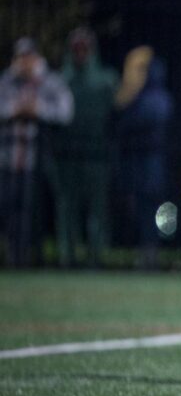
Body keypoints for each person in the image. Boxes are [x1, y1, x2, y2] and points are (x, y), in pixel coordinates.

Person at [0, 38, 73, 267]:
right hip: (9, 157)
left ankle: (35, 255)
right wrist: (15, 109)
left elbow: (65, 111)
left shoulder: (48, 81)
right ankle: (13, 254)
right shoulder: (8, 80)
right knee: (10, 206)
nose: (25, 61)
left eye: (28, 56)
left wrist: (38, 110)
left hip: (38, 157)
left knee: (36, 209)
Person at [55, 27, 119, 267]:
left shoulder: (106, 80)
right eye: (76, 48)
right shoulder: (61, 80)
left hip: (96, 152)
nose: (81, 53)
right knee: (67, 205)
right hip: (67, 153)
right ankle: (66, 255)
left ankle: (96, 255)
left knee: (97, 208)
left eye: (85, 48)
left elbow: (117, 113)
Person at [113, 45, 174, 269]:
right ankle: (140, 251)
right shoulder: (130, 94)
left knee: (150, 209)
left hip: (150, 161)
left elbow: (140, 120)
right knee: (135, 208)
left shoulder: (154, 96)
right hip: (135, 160)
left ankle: (150, 254)